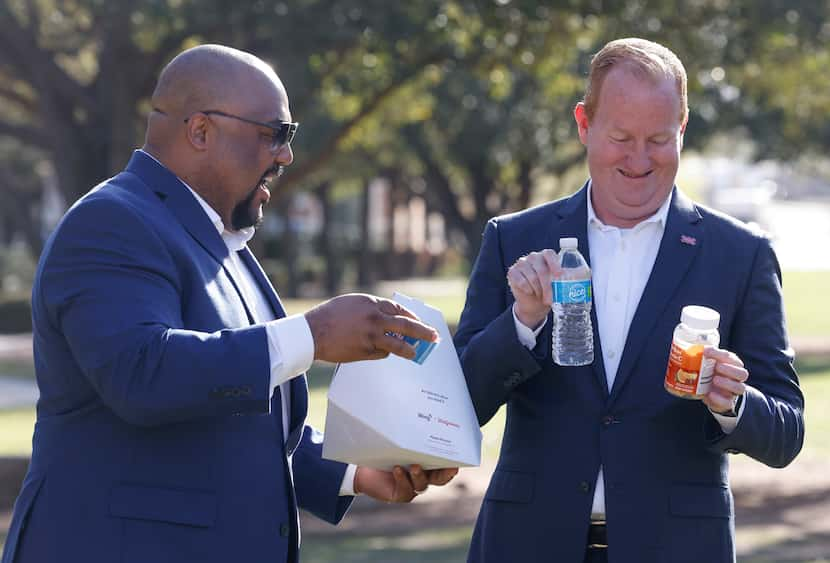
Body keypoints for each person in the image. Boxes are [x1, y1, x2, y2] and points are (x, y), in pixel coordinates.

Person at [1, 44, 457, 563]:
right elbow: (143, 374)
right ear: (200, 132)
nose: (285, 156)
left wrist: (359, 473)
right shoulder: (110, 223)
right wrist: (315, 336)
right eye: (274, 134)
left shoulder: (224, 244)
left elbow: (241, 418)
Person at [454, 37, 804, 563]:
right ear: (583, 125)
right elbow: (458, 405)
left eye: (659, 139)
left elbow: (785, 433)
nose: (639, 159)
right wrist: (522, 322)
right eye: (620, 136)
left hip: (680, 549)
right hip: (525, 543)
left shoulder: (741, 255)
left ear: (683, 129)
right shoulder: (513, 238)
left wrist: (731, 402)